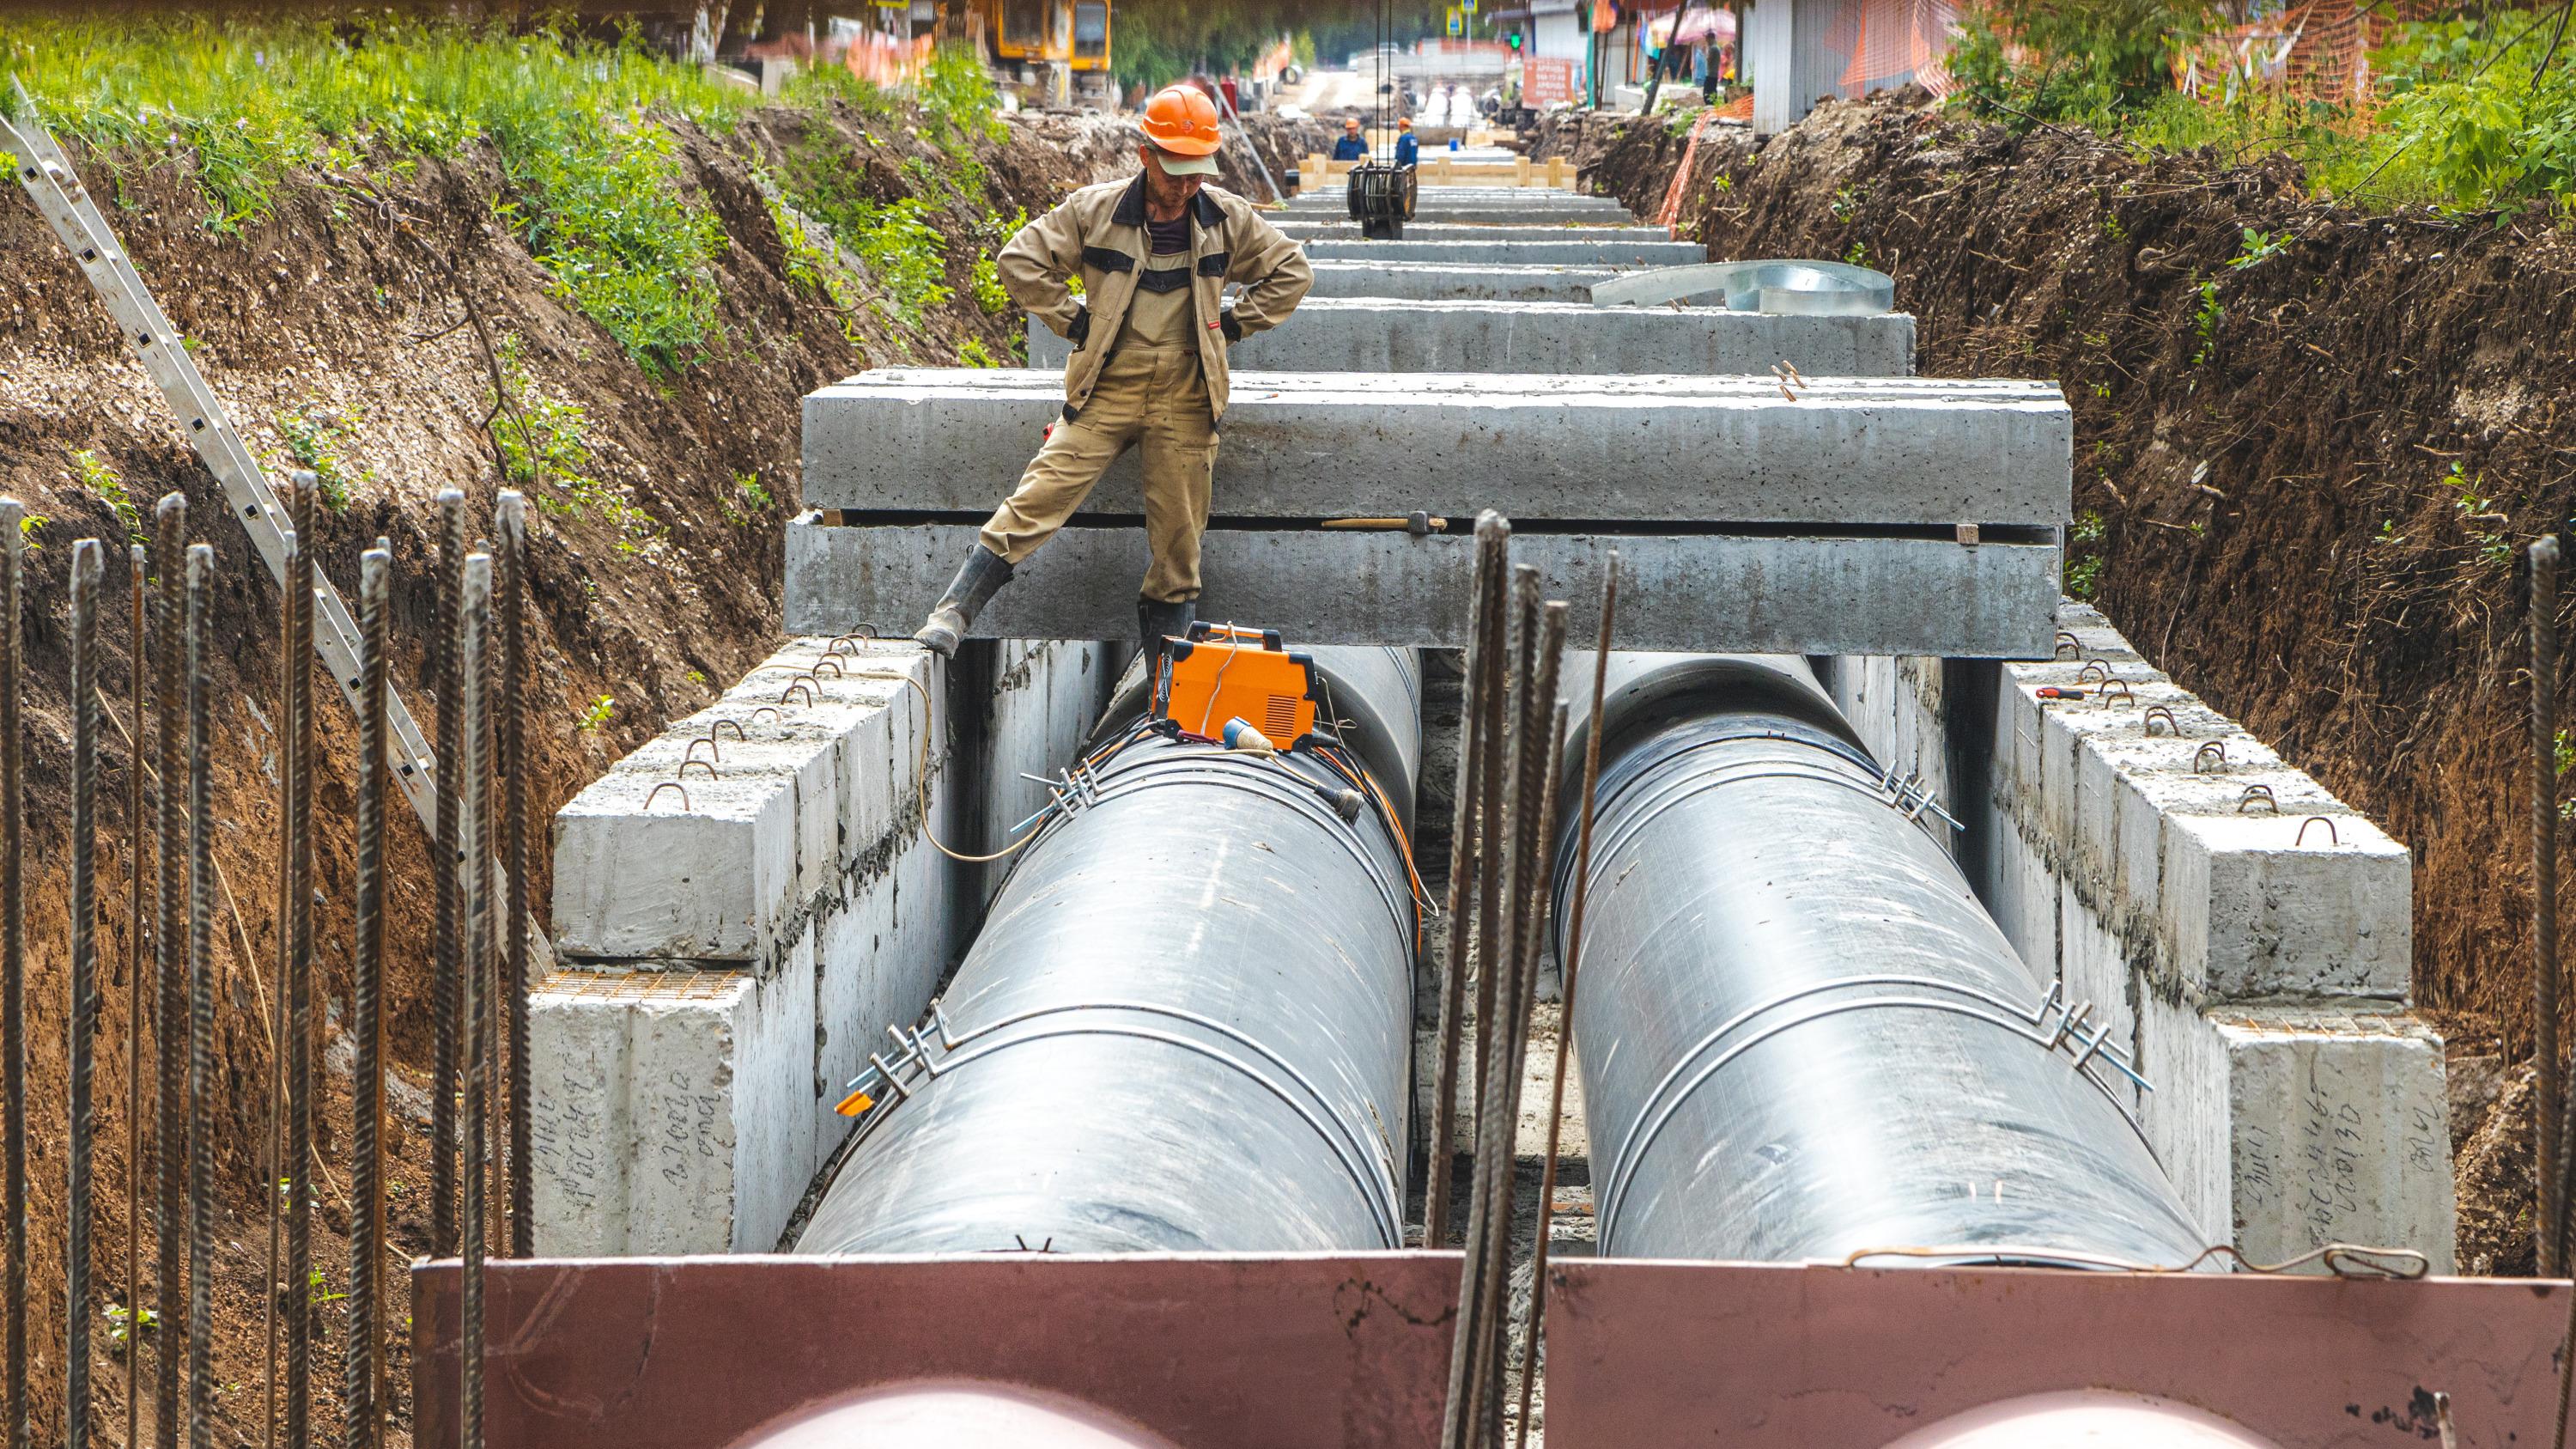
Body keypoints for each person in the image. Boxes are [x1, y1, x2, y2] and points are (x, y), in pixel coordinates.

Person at [913, 84, 1315, 661]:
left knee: (1180, 546)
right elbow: (1018, 259)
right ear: (1146, 153)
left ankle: (1164, 683)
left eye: (1195, 173)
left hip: (1185, 397)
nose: (1184, 186)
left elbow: (1292, 271)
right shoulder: (1094, 212)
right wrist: (1076, 323)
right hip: (1107, 389)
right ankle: (953, 610)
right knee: (1039, 494)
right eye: (1174, 170)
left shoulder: (1227, 219)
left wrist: (1232, 326)